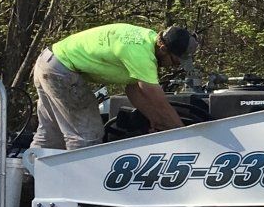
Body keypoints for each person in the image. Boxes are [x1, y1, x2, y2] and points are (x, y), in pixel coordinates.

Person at [32, 22, 194, 150]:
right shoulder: (141, 55)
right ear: (164, 49)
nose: (174, 66)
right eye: (175, 61)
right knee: (87, 134)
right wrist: (184, 135)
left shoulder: (145, 40)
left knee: (51, 135)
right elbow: (160, 102)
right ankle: (81, 188)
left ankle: (25, 184)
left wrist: (156, 121)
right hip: (61, 71)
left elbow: (134, 90)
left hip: (48, 62)